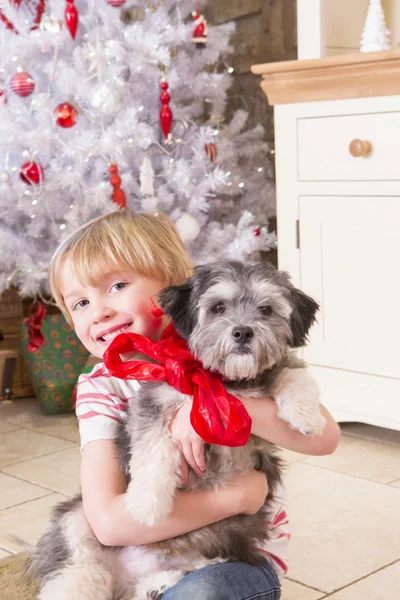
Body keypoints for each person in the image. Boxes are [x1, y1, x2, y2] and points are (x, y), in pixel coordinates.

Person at [49, 210, 340, 600]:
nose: (99, 310)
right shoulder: (102, 388)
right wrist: (236, 496)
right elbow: (109, 524)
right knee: (73, 527)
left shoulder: (244, 362)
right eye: (80, 302)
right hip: (144, 538)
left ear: (172, 285)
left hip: (233, 556)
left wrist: (207, 411)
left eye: (117, 285)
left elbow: (323, 438)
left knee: (203, 594)